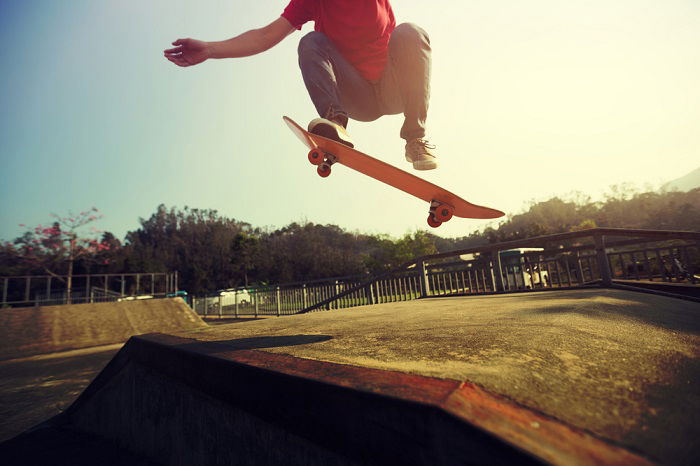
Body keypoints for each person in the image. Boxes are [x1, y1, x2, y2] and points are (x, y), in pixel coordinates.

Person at [164, 0, 438, 170]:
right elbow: (265, 36)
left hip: (395, 90)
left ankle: (415, 139)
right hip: (358, 99)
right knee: (311, 41)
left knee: (410, 32)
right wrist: (211, 49)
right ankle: (335, 127)